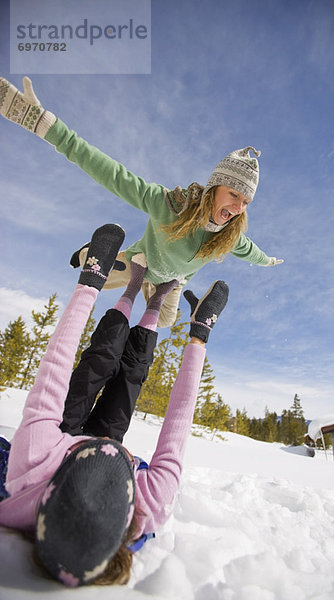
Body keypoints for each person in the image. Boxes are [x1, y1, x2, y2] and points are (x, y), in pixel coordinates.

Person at [0, 223, 229, 587]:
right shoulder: (149, 505)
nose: (105, 449)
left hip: (59, 440)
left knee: (100, 362)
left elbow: (55, 366)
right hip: (82, 465)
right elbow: (179, 421)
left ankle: (134, 283)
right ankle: (156, 298)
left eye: (97, 455)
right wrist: (198, 336)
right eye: (116, 463)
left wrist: (91, 281)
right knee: (129, 380)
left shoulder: (32, 462)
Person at [0, 76, 283, 327]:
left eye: (245, 202)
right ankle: (96, 253)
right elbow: (114, 175)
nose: (238, 208)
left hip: (170, 281)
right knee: (97, 272)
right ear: (214, 188)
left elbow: (252, 252)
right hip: (143, 259)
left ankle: (151, 284)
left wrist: (268, 261)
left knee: (164, 320)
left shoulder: (231, 236)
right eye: (234, 195)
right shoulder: (170, 206)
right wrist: (50, 129)